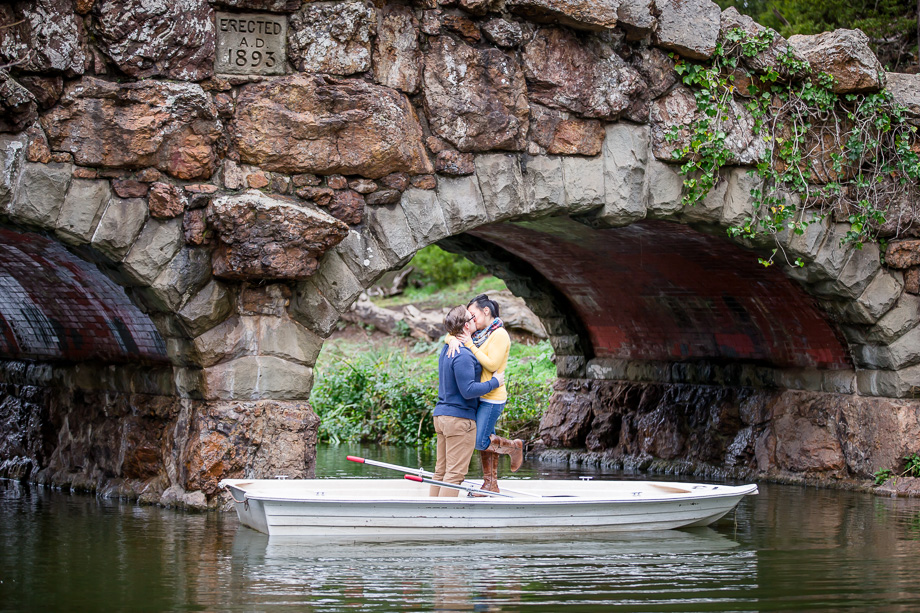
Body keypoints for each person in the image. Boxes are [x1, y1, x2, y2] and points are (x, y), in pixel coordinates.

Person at [447, 294, 523, 493]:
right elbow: (455, 332)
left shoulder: (499, 335)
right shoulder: (481, 334)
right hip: (479, 395)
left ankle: (514, 447)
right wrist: (451, 339)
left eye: (473, 315)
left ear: (486, 311)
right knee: (488, 438)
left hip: (492, 397)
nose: (471, 320)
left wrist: (469, 345)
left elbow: (492, 364)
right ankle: (491, 484)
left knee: (480, 440)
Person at [430, 305, 505, 497]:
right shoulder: (462, 354)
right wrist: (494, 382)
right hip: (458, 420)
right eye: (471, 318)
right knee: (454, 475)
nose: (474, 320)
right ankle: (444, 519)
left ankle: (432, 513)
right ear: (465, 326)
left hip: (442, 416)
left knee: (441, 471)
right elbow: (468, 390)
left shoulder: (448, 346)